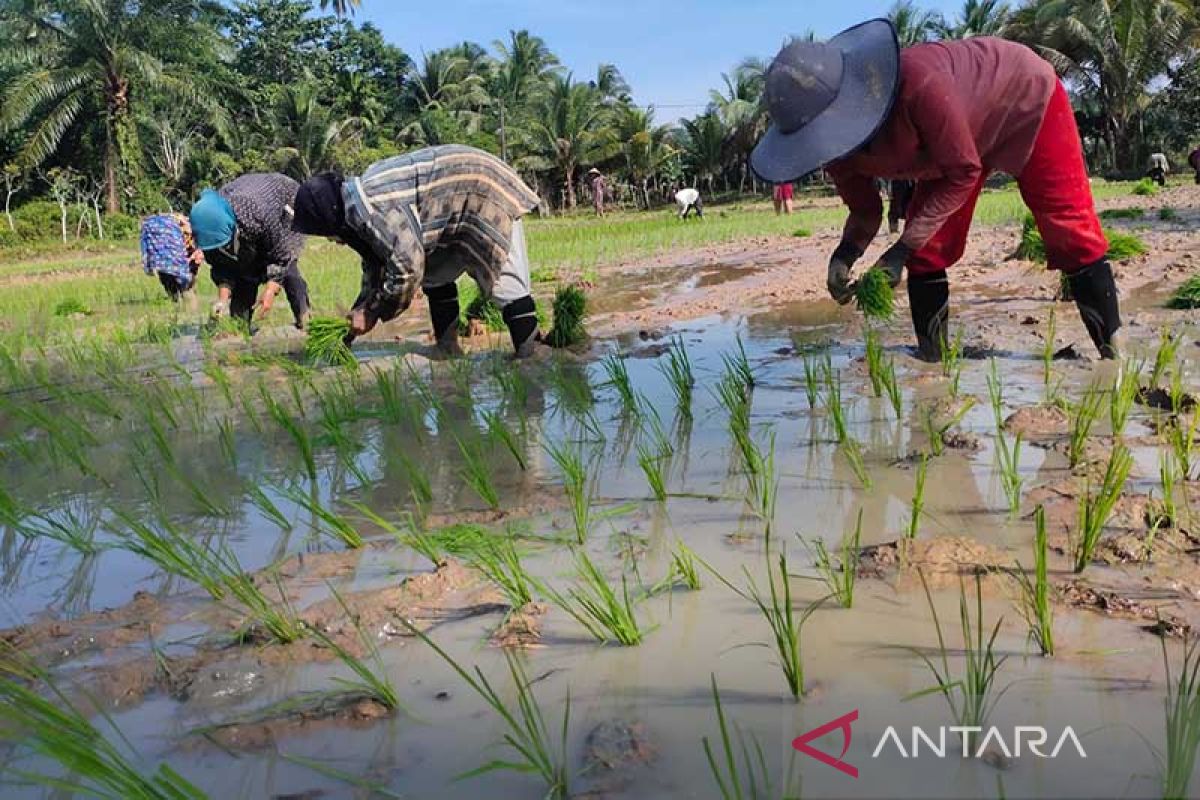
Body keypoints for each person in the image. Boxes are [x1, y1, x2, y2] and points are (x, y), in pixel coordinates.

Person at [751, 20, 1122, 361]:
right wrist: (844, 255)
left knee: (1068, 228)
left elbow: (962, 171)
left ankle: (1112, 355)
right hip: (957, 144)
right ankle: (933, 359)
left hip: (1024, 98)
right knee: (927, 250)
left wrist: (898, 252)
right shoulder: (836, 154)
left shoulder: (918, 85)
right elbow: (865, 212)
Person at [290, 145, 544, 358]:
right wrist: (356, 318)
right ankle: (447, 349)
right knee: (434, 271)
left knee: (503, 281)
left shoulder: (374, 209)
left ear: (332, 218)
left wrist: (372, 312)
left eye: (327, 233)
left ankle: (531, 356)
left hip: (483, 188)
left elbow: (407, 270)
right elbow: (378, 265)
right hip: (456, 195)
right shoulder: (354, 203)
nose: (333, 240)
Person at [188, 173, 312, 330]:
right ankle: (241, 326)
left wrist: (271, 290)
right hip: (249, 209)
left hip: (284, 200)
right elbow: (222, 267)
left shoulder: (257, 214)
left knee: (288, 271)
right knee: (245, 274)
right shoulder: (207, 228)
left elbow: (282, 255)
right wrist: (222, 301)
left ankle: (305, 319)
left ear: (233, 229)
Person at [139, 212, 204, 306]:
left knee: (174, 281)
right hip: (179, 254)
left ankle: (179, 300)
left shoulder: (162, 228)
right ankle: (185, 301)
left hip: (170, 256)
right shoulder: (184, 228)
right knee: (185, 284)